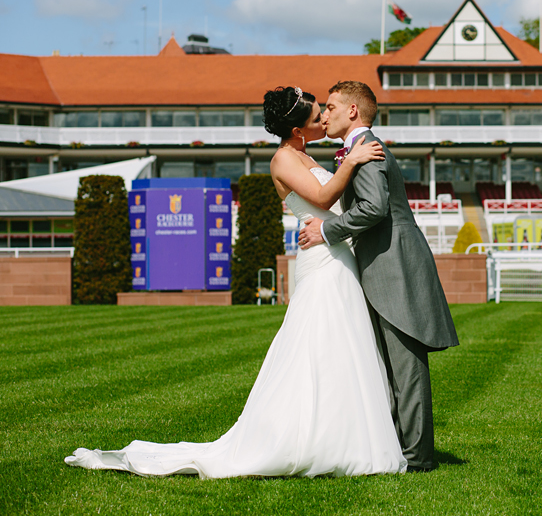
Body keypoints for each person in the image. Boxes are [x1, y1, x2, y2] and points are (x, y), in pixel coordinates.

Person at [64, 86, 407, 479]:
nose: (325, 119)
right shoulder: (283, 159)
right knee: (318, 344)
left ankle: (346, 434)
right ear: (298, 130)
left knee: (344, 344)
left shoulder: (307, 155)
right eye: (317, 117)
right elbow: (324, 196)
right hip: (321, 259)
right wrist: (353, 161)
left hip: (335, 252)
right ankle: (312, 438)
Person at [298, 81, 459, 472]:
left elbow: (373, 208)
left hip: (395, 265)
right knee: (390, 366)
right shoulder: (359, 149)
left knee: (405, 366)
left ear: (352, 111)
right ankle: (400, 448)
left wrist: (326, 230)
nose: (325, 115)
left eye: (331, 107)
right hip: (383, 263)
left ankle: (418, 458)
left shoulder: (368, 150)